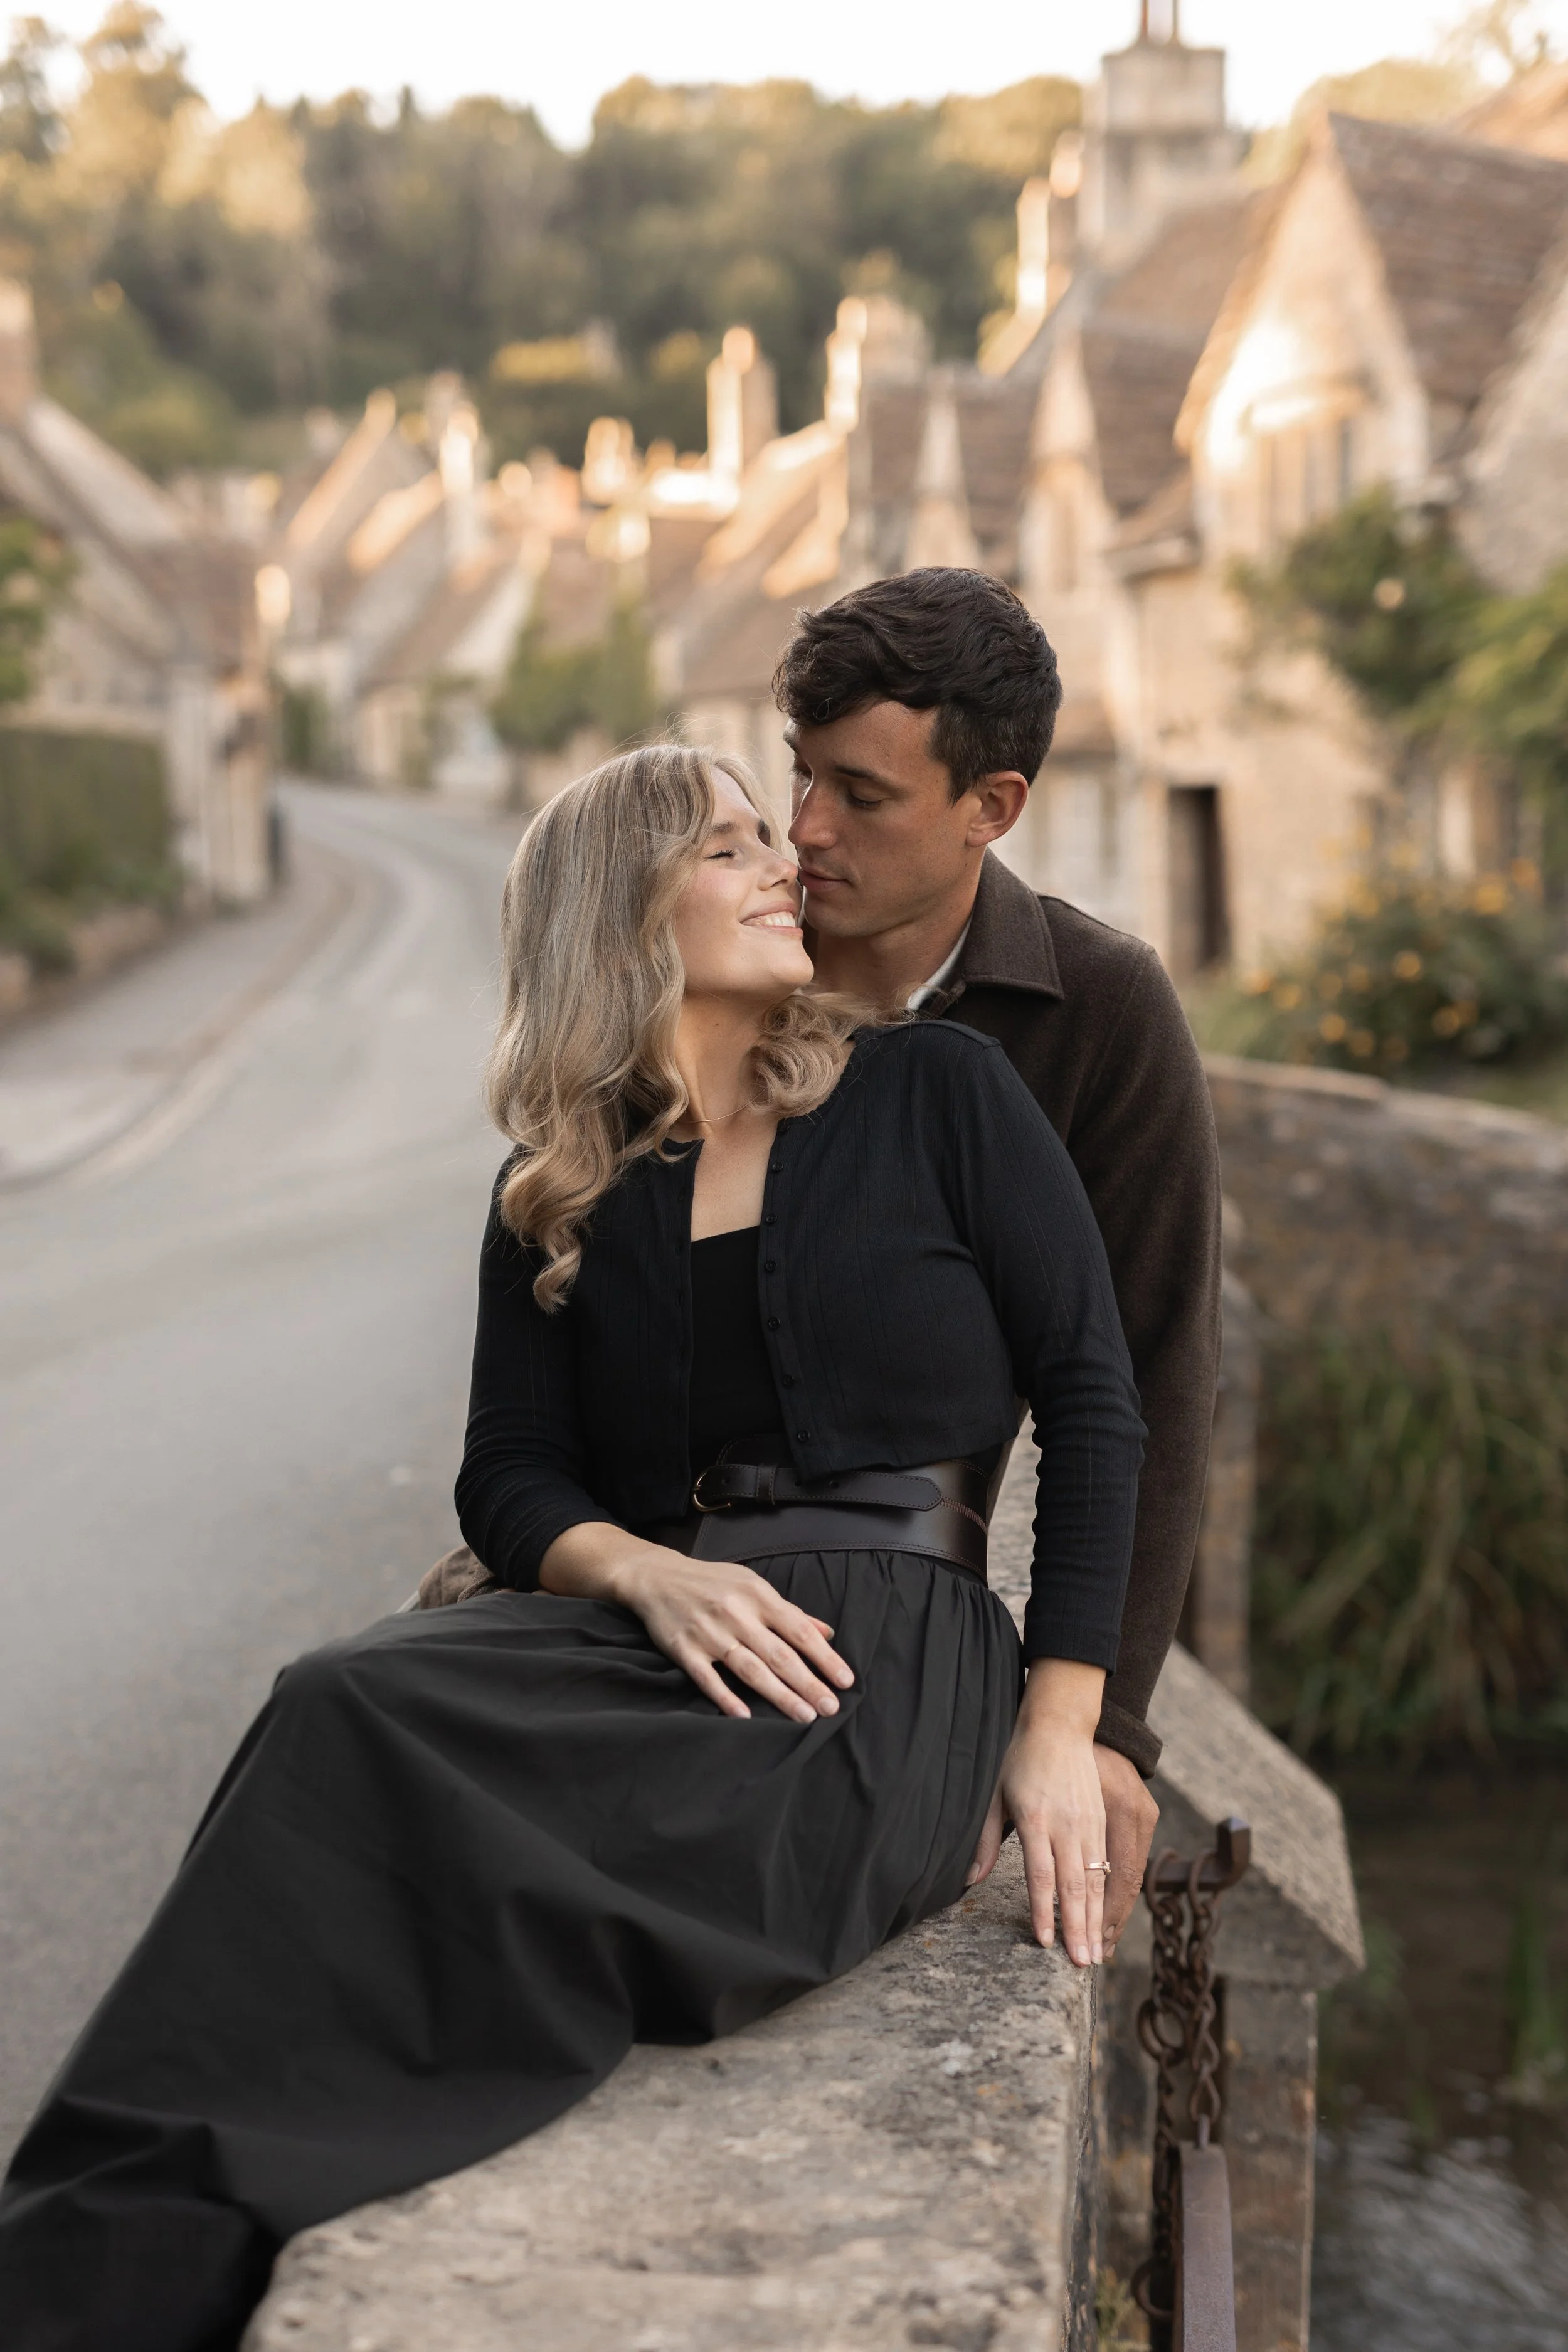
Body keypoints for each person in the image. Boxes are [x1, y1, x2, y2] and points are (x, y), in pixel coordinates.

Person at [0, 744, 1145, 2352]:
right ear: (621, 912)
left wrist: (1057, 1725)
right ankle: (93, 2262)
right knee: (341, 1702)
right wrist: (642, 1568)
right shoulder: (563, 1190)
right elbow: (511, 1477)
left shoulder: (932, 1091)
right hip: (666, 1631)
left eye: (775, 836)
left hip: (874, 1667)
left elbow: (1098, 1401)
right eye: (728, 846)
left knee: (435, 1828)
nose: (781, 866)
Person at [775, 568, 1223, 1950]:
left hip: (899, 1602)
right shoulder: (716, 960)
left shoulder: (1099, 1010)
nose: (802, 830)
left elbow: (1148, 1376)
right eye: (797, 774)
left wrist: (1098, 1725)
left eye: (861, 792)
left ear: (993, 807)